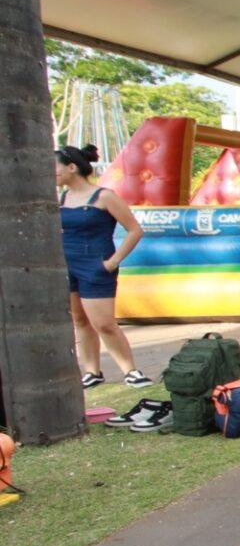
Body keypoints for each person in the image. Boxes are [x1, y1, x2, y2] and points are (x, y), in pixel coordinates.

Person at [55, 144, 152, 389]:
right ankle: (92, 371)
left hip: (95, 264)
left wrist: (113, 262)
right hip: (69, 264)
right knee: (79, 320)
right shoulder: (62, 197)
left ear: (72, 167)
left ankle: (131, 371)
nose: (51, 172)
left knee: (104, 323)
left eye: (54, 167)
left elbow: (134, 230)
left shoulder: (104, 196)